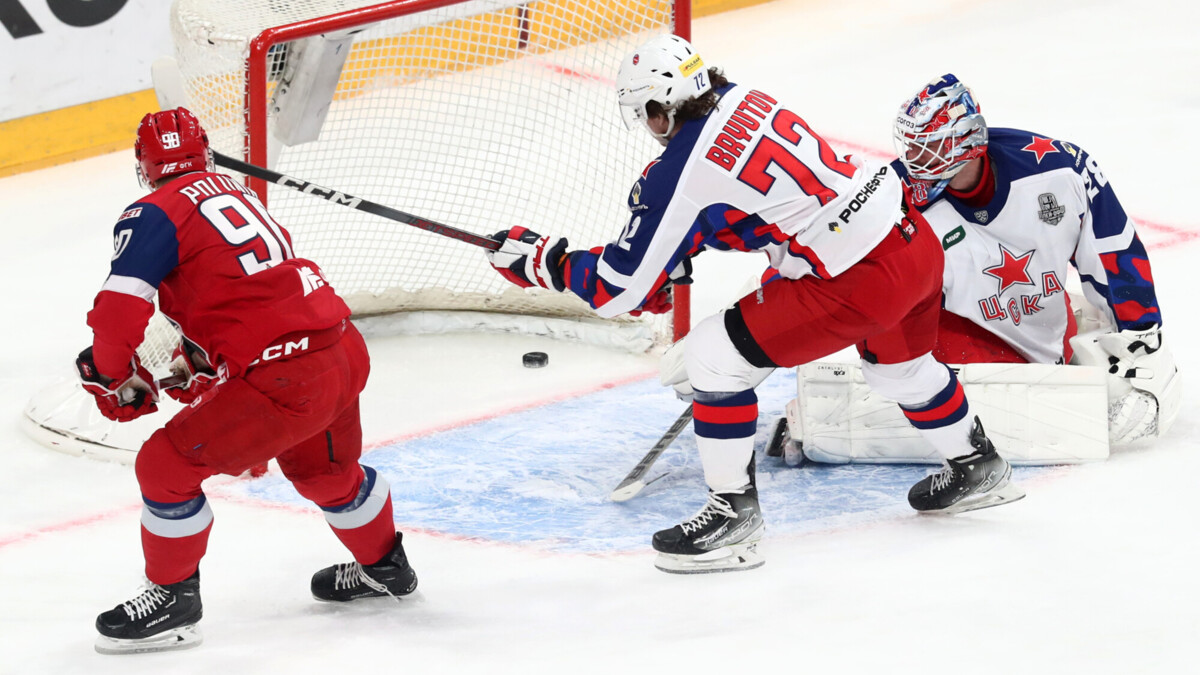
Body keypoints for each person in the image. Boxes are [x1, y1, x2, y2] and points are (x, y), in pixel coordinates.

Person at [484, 36, 1024, 574]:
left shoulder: (676, 172)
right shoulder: (748, 98)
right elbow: (753, 210)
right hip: (911, 242)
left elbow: (620, 286)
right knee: (900, 370)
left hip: (855, 279)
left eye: (646, 115)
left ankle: (732, 519)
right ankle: (978, 465)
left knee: (715, 357)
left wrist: (542, 261)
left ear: (659, 109)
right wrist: (669, 267)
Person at [79, 108, 417, 655]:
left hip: (288, 379)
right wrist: (212, 361)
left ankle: (172, 604)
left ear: (144, 167)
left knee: (164, 468)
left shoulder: (152, 212)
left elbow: (118, 313)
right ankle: (386, 568)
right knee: (324, 473)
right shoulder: (236, 190)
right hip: (341, 348)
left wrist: (114, 375)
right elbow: (246, 287)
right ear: (204, 153)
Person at [782, 74, 1180, 467]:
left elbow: (1114, 253)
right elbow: (846, 277)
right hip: (953, 337)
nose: (916, 162)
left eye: (931, 148)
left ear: (969, 144)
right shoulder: (892, 199)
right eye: (913, 148)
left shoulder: (1062, 171)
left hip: (1043, 329)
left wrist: (1139, 344)